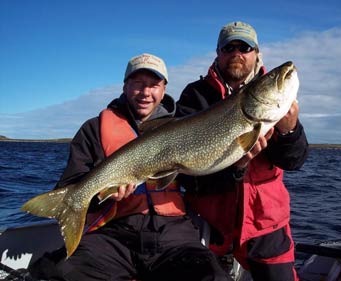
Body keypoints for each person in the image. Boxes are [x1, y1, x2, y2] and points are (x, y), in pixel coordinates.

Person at [29, 53, 232, 281]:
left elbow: (200, 184)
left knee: (212, 276)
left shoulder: (185, 126)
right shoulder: (93, 129)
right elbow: (69, 183)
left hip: (173, 232)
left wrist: (239, 165)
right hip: (114, 233)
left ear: (164, 89)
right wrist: (102, 195)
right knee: (59, 273)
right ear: (125, 86)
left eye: (154, 85)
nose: (146, 93)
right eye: (138, 84)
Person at [176, 22, 309, 281]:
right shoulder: (195, 95)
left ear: (257, 54)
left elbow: (294, 161)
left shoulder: (275, 102)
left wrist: (290, 131)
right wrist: (235, 170)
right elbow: (187, 176)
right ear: (218, 53)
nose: (237, 52)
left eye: (245, 47)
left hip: (266, 223)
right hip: (210, 222)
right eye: (229, 47)